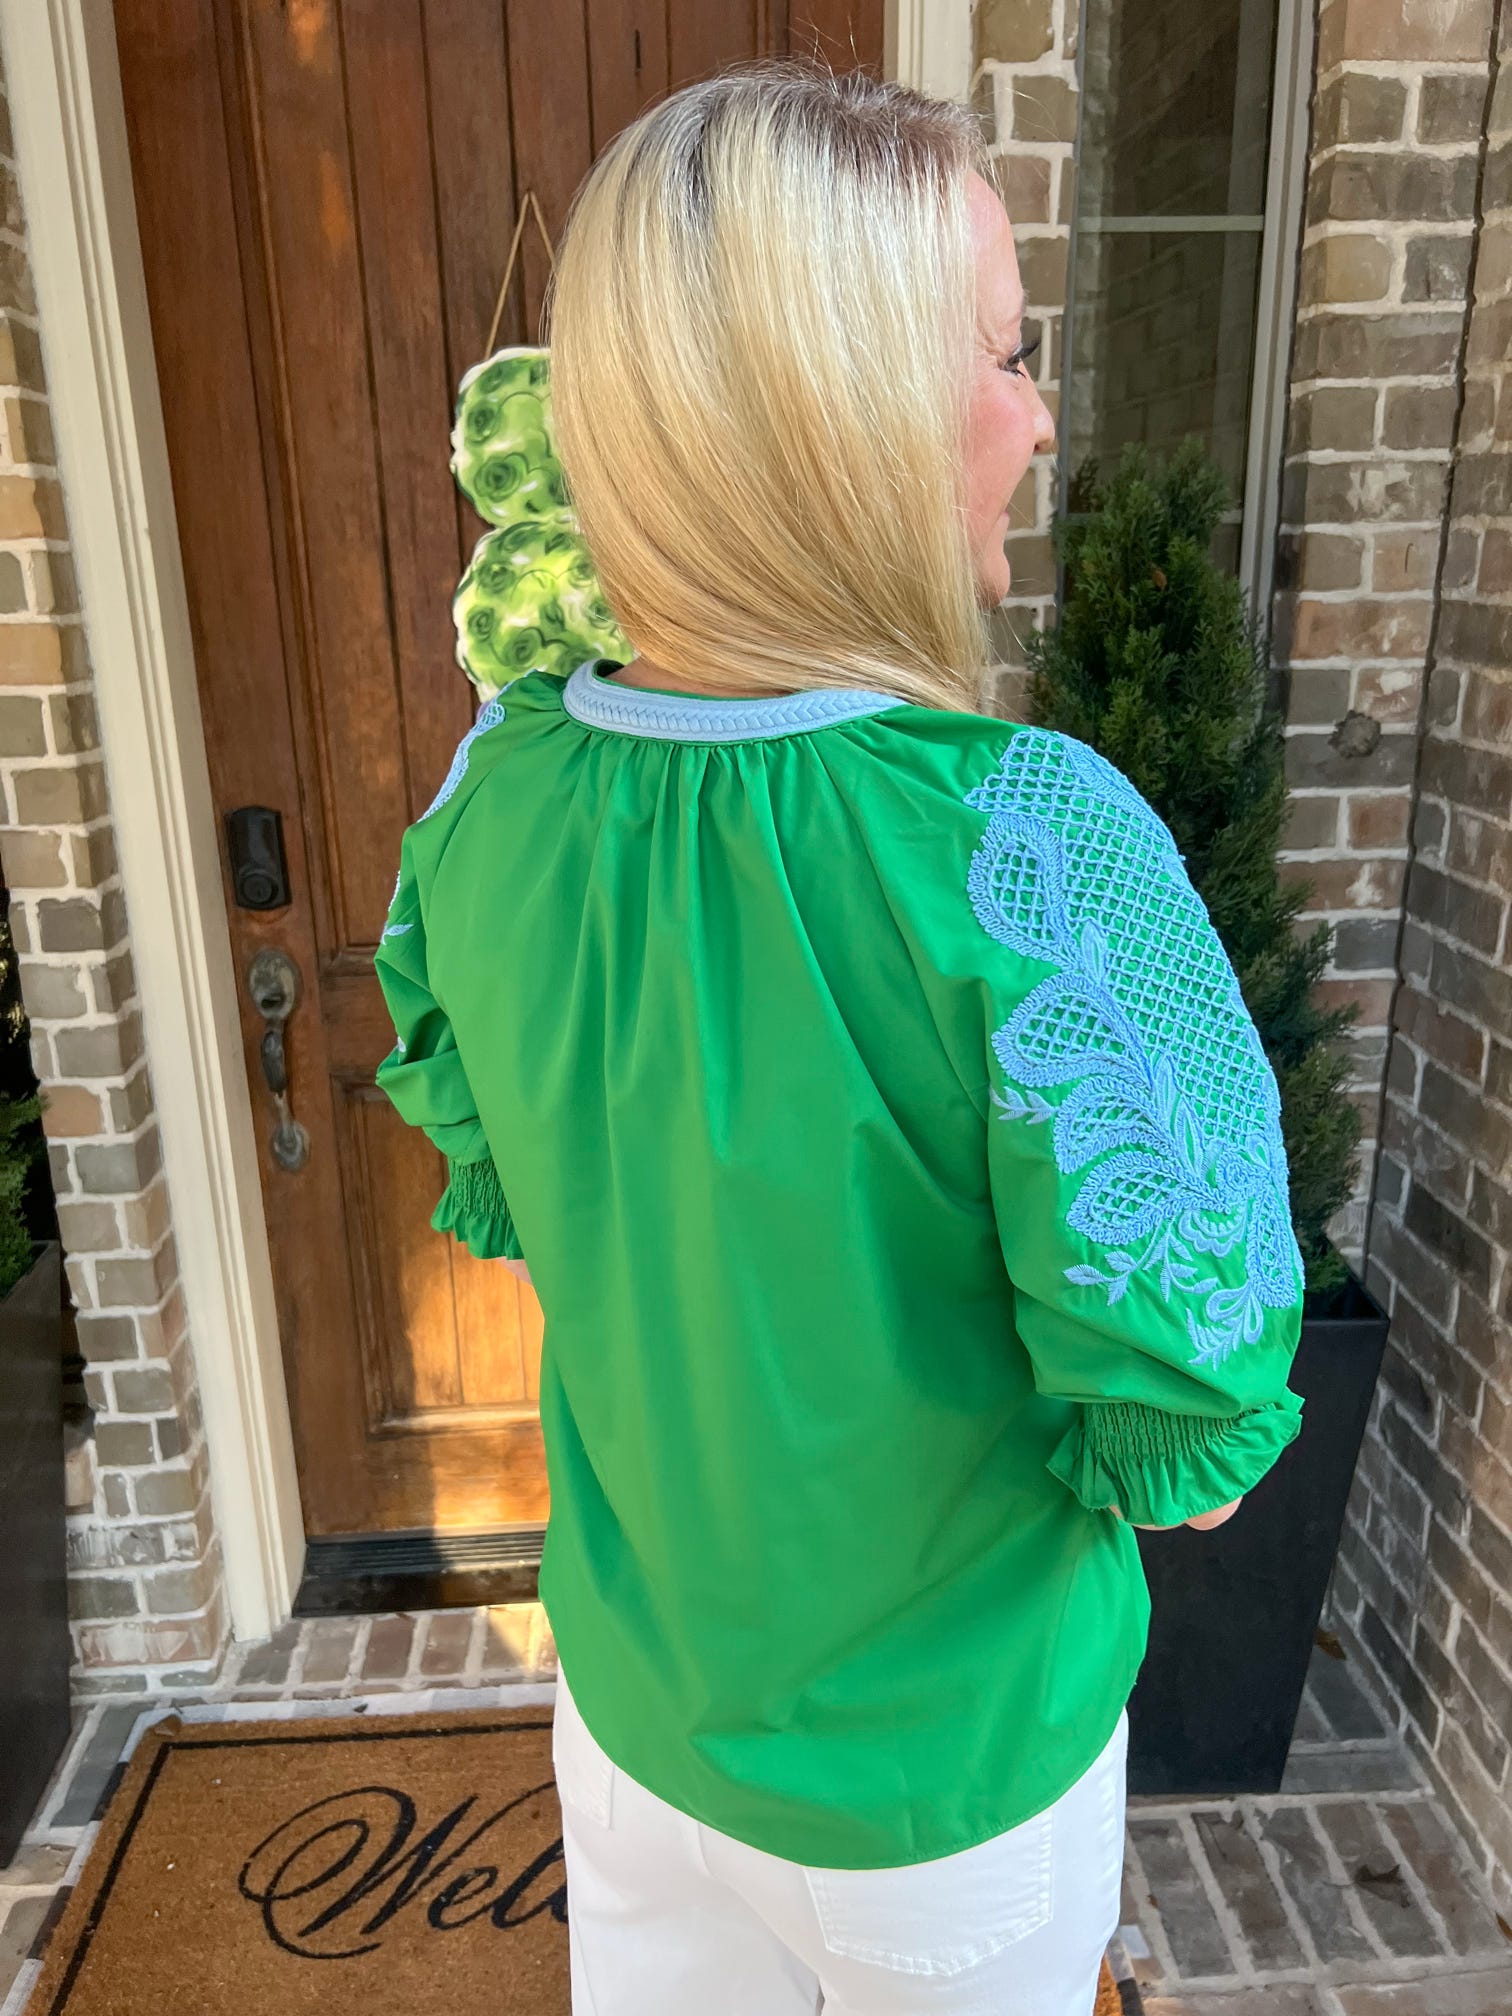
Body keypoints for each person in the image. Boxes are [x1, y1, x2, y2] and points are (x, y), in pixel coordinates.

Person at [373, 58, 1307, 2016]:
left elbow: (545, 1203)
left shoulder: (484, 813)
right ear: (853, 417)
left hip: (635, 1734)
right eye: (1005, 355)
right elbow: (1195, 1454)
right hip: (942, 1795)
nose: (1041, 419)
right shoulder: (1022, 845)